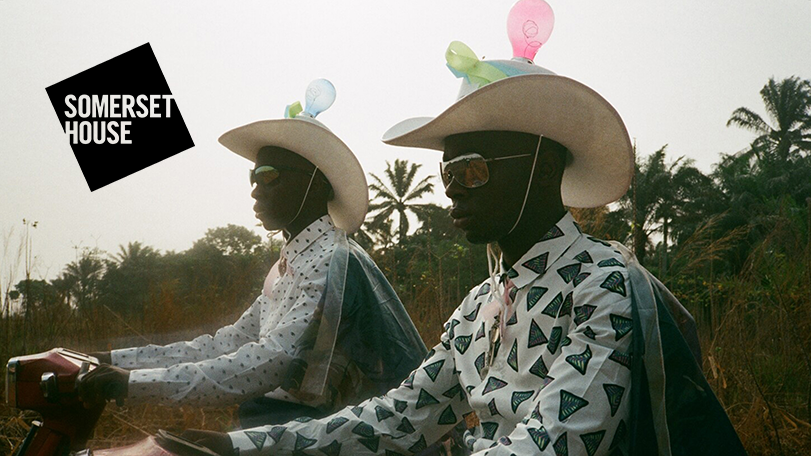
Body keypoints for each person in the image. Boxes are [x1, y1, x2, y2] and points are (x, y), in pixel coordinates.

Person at [184, 28, 746, 456]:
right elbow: (400, 415)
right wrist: (240, 446)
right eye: (447, 174)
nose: (453, 191)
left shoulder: (605, 288)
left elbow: (554, 442)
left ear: (543, 168)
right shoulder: (478, 308)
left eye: (472, 170)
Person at [78, 79, 428, 429]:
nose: (255, 191)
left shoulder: (334, 263)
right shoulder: (292, 262)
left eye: (269, 176)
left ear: (316, 183)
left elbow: (272, 361)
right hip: (284, 427)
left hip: (336, 436)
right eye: (253, 178)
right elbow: (226, 343)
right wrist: (113, 360)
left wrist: (130, 384)